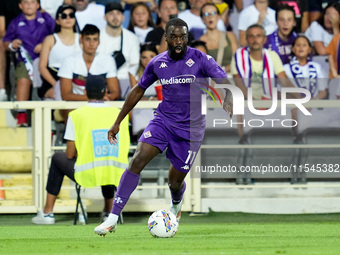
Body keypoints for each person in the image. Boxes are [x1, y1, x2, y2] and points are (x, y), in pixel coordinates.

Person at [94, 17, 233, 236]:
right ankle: (112, 219)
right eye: (174, 37)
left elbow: (224, 80)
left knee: (174, 182)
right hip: (164, 121)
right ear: (166, 38)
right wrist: (118, 121)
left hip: (190, 130)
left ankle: (176, 203)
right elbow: (138, 89)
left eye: (183, 37)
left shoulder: (201, 59)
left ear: (187, 38)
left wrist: (228, 96)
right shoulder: (157, 63)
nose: (179, 41)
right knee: (137, 159)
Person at [31, 75, 130, 225]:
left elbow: (70, 154)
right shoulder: (119, 113)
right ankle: (109, 212)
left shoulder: (76, 114)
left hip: (87, 173)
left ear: (86, 92)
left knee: (58, 158)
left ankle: (47, 213)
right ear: (105, 91)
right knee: (106, 162)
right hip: (117, 172)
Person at [2, 0, 55, 126]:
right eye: (25, 2)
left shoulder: (46, 18)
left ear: (37, 5)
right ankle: (21, 114)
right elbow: (6, 42)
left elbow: (57, 35)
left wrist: (45, 44)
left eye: (32, 2)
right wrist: (12, 45)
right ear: (20, 5)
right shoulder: (15, 22)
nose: (29, 5)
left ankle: (49, 118)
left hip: (46, 60)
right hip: (24, 61)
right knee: (23, 80)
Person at [58, 24, 120, 102]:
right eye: (88, 39)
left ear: (99, 41)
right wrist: (94, 99)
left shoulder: (108, 60)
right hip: (76, 104)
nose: (91, 44)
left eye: (95, 39)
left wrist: (108, 97)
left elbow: (115, 92)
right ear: (81, 40)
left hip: (101, 104)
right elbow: (66, 95)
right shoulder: (69, 61)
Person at [231, 24, 294, 100]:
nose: (255, 39)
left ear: (264, 39)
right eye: (251, 36)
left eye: (258, 36)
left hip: (268, 102)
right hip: (245, 102)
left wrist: (302, 98)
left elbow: (285, 81)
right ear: (246, 39)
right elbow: (239, 83)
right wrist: (254, 104)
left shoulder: (272, 55)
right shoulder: (238, 56)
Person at [96, 2, 140, 100]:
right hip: (102, 79)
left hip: (125, 79)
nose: (115, 17)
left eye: (118, 14)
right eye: (111, 14)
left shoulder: (132, 38)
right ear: (104, 17)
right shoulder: (97, 36)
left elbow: (134, 65)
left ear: (123, 17)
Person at [38, 4, 81, 100]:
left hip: (77, 80)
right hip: (54, 78)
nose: (68, 18)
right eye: (64, 16)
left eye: (71, 15)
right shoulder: (50, 39)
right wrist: (56, 85)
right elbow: (42, 67)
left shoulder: (82, 39)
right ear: (57, 20)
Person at [199, 2, 238, 73]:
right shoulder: (200, 43)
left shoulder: (230, 36)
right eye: (206, 14)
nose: (210, 17)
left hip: (232, 77)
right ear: (202, 19)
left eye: (213, 13)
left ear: (218, 16)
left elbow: (237, 60)